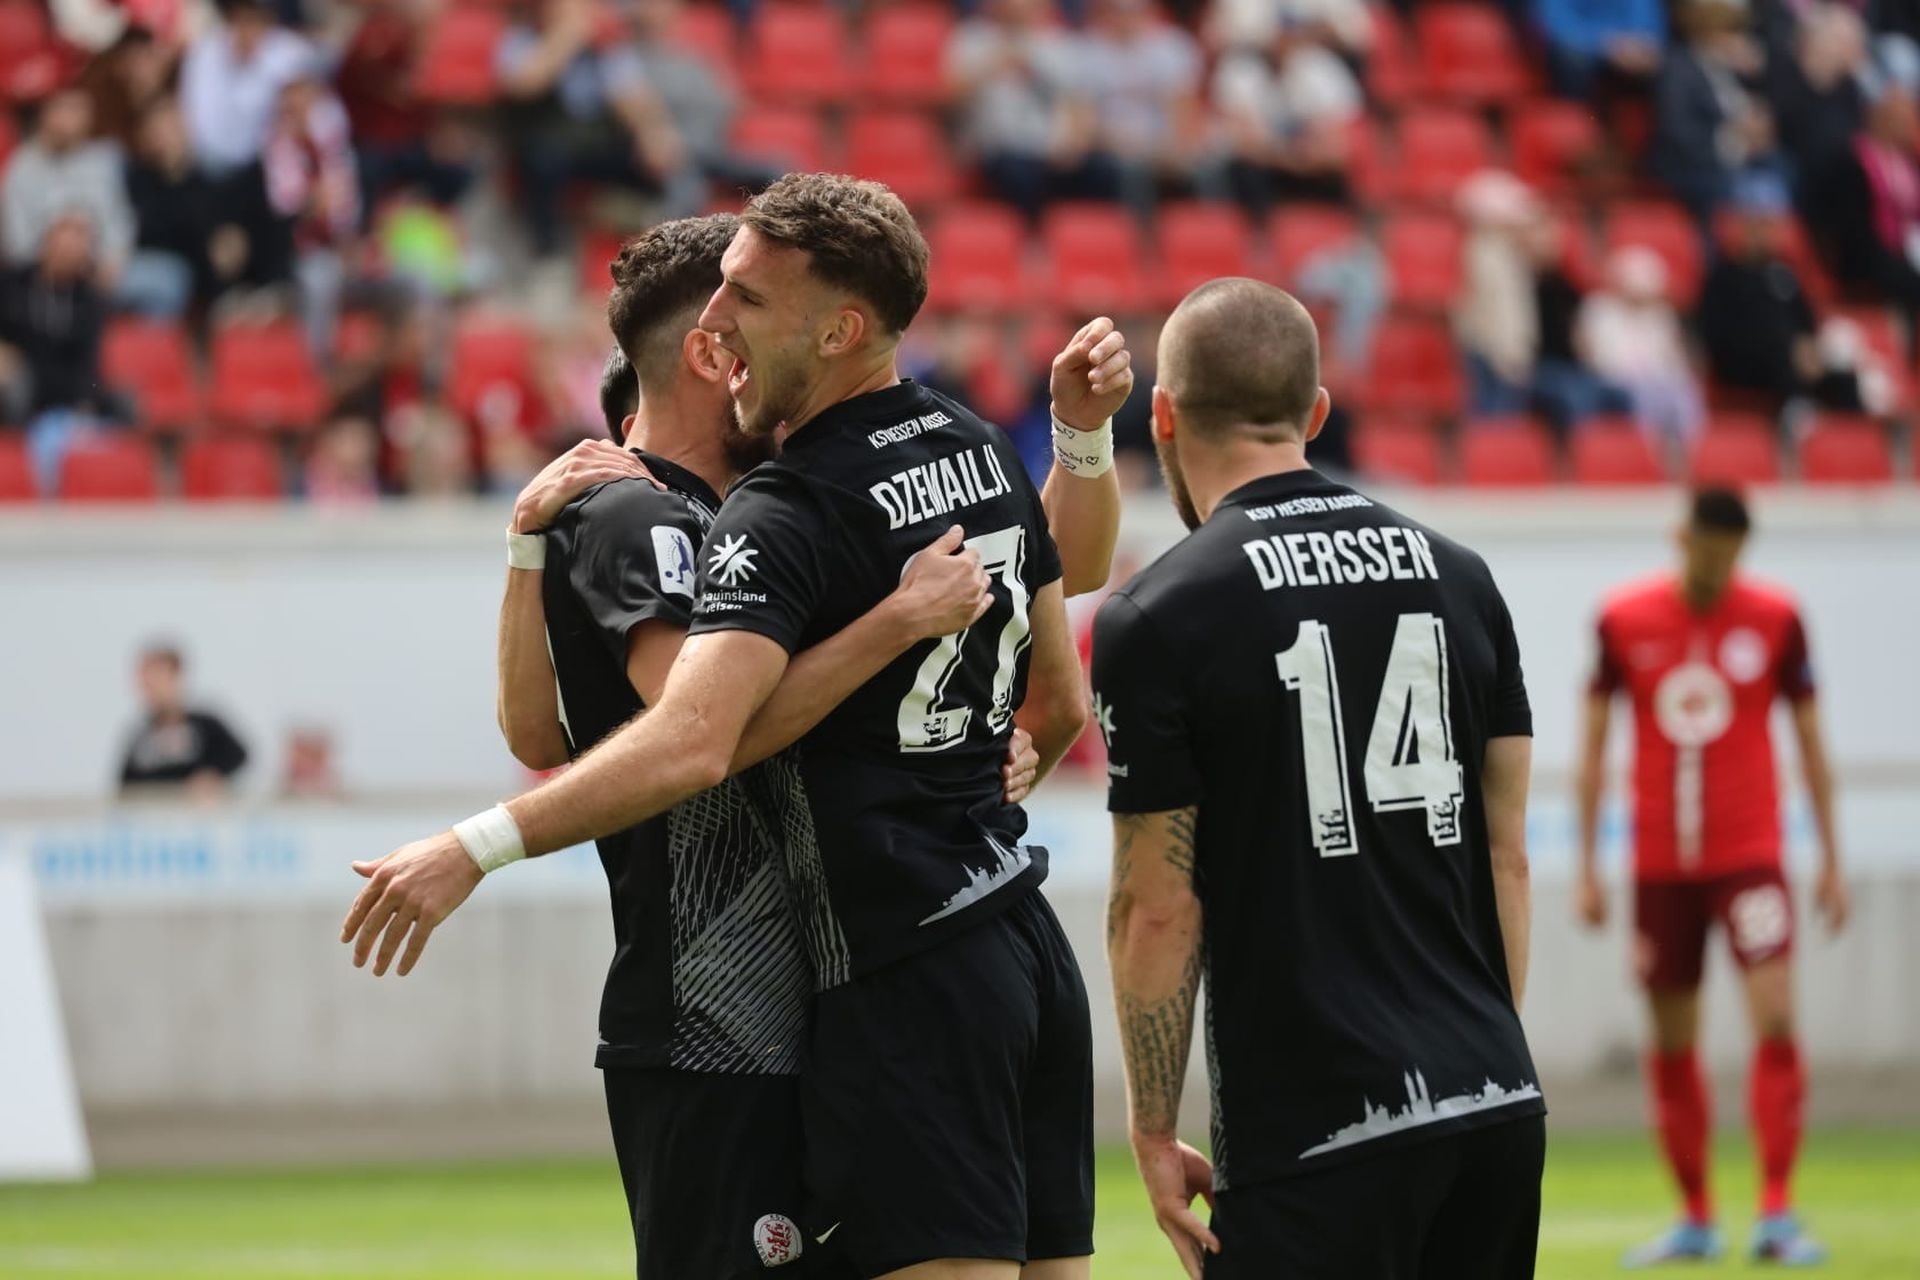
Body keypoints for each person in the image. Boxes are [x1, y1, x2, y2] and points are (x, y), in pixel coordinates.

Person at [344, 177, 1135, 1280]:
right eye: (720, 300)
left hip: (872, 973)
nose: (726, 326)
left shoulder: (784, 504)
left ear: (830, 330)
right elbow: (580, 728)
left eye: (748, 302)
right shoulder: (933, 446)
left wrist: (473, 844)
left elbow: (697, 736)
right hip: (852, 972)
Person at [496, 216, 1033, 1279]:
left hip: (806, 995)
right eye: (741, 307)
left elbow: (538, 731)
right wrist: (898, 623)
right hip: (710, 1016)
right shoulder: (643, 516)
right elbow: (705, 727)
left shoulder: (735, 508)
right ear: (710, 350)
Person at [1093, 278, 1543, 1280]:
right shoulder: (1464, 577)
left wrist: (1153, 1129)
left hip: (1319, 1134)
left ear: (1162, 416)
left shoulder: (1157, 614)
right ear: (1318, 412)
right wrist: (1482, 1062)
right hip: (1494, 1102)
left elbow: (1156, 904)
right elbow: (1506, 855)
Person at [1576, 487, 1847, 1268]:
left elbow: (1811, 742)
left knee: (1776, 1016)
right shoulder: (1622, 620)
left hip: (1750, 855)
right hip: (1661, 864)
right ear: (1681, 537)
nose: (1717, 567)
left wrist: (1830, 860)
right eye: (1707, 551)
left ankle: (1776, 1212)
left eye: (1730, 556)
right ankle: (1695, 1216)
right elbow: (1594, 748)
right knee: (1671, 1040)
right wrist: (1590, 866)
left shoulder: (1777, 619)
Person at [118, 643, 250, 797]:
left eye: (158, 677)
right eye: (146, 682)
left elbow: (238, 756)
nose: (151, 688)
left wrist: (211, 775)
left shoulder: (205, 726)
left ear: (176, 677)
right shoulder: (140, 737)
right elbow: (125, 788)